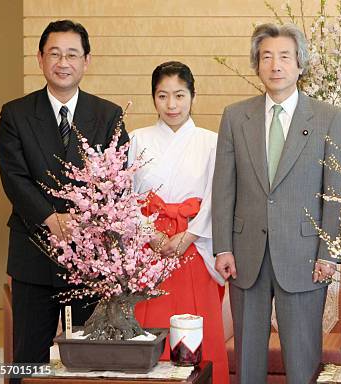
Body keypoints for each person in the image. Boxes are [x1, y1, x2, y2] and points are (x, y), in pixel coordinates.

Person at [212, 23, 341, 384]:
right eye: (267, 56)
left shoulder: (329, 118)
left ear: (300, 65)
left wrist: (328, 253)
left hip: (305, 256)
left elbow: (336, 193)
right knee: (247, 360)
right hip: (245, 255)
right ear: (257, 64)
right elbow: (224, 187)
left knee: (303, 359)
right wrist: (223, 247)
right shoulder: (235, 116)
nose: (276, 65)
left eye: (285, 57)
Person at [0, 19, 128, 368]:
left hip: (88, 259)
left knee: (88, 360)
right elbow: (14, 177)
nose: (63, 62)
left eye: (72, 54)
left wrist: (83, 222)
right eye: (54, 53)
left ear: (87, 60)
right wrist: (50, 218)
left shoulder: (108, 115)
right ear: (40, 58)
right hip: (33, 253)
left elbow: (117, 182)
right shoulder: (16, 114)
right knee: (28, 360)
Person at [128, 61, 229, 384]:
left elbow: (219, 196)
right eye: (163, 96)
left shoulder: (211, 141)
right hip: (149, 249)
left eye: (180, 95)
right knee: (149, 325)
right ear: (153, 98)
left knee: (199, 332)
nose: (171, 105)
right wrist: (151, 233)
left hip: (195, 245)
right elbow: (125, 195)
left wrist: (190, 234)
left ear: (192, 96)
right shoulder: (136, 140)